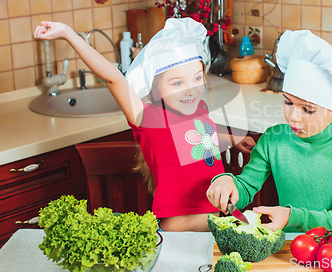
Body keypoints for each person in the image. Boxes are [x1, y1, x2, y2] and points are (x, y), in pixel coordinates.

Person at [34, 18, 255, 232]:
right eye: (177, 83)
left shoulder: (199, 109)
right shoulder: (149, 118)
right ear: (156, 88)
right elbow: (114, 79)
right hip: (179, 234)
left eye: (197, 79)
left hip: (213, 228)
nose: (190, 90)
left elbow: (199, 140)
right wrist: (68, 34)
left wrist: (232, 139)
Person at [206, 30, 332, 234]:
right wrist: (225, 182)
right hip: (286, 251)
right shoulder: (273, 140)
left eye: (307, 109)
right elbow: (246, 187)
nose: (293, 116)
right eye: (287, 102)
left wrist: (292, 216)